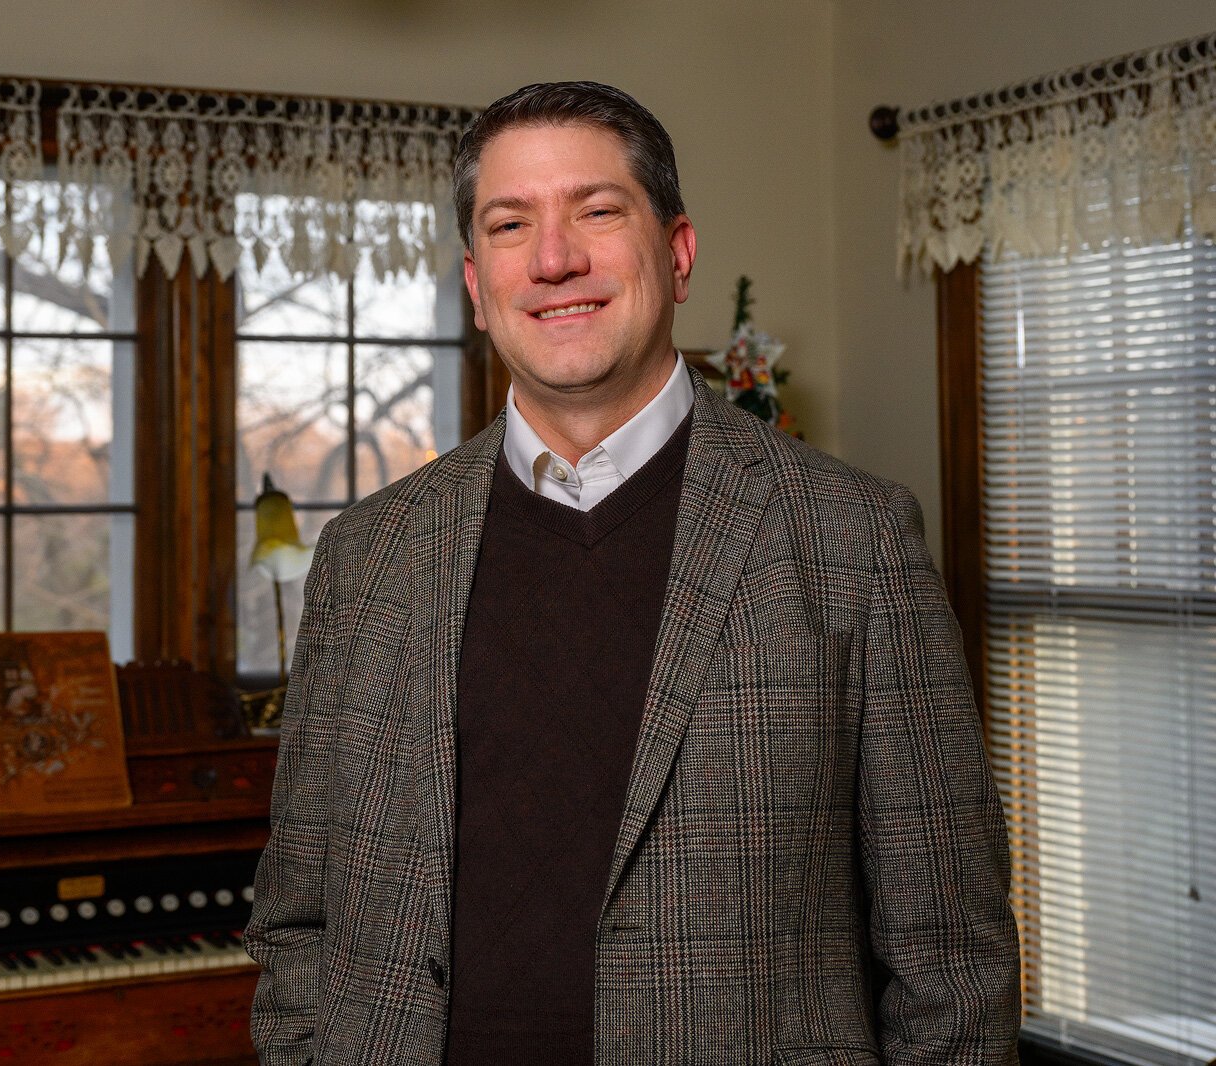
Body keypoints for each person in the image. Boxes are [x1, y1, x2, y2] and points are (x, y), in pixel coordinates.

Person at [245, 81, 1018, 1066]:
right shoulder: (368, 554)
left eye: (597, 212)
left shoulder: (853, 538)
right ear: (478, 285)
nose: (555, 257)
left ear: (679, 252)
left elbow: (953, 964)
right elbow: (297, 913)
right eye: (510, 223)